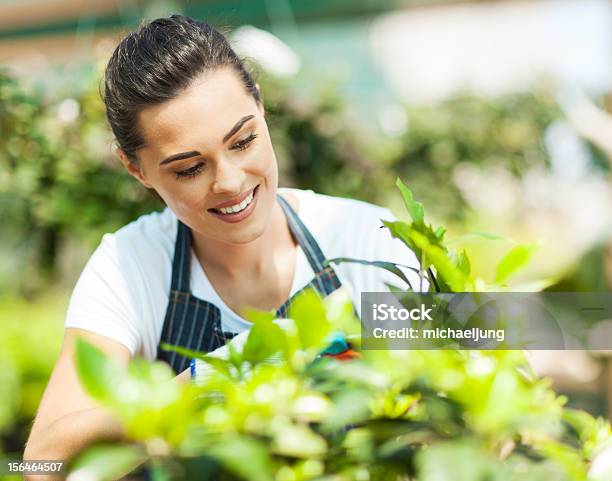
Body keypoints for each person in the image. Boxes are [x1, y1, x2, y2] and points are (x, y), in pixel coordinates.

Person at [23, 14, 425, 475]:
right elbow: (38, 464)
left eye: (244, 140)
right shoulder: (131, 268)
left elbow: (513, 339)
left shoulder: (360, 238)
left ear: (261, 105)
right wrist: (206, 381)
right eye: (189, 168)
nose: (231, 182)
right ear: (135, 169)